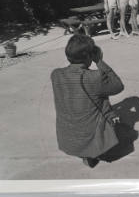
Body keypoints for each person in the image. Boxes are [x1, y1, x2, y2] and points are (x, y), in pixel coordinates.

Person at [50, 34, 132, 168]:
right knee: (103, 98)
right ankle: (93, 151)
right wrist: (99, 61)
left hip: (67, 140)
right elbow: (118, 86)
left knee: (93, 97)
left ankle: (86, 150)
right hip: (88, 137)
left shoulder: (56, 74)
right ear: (89, 56)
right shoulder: (95, 77)